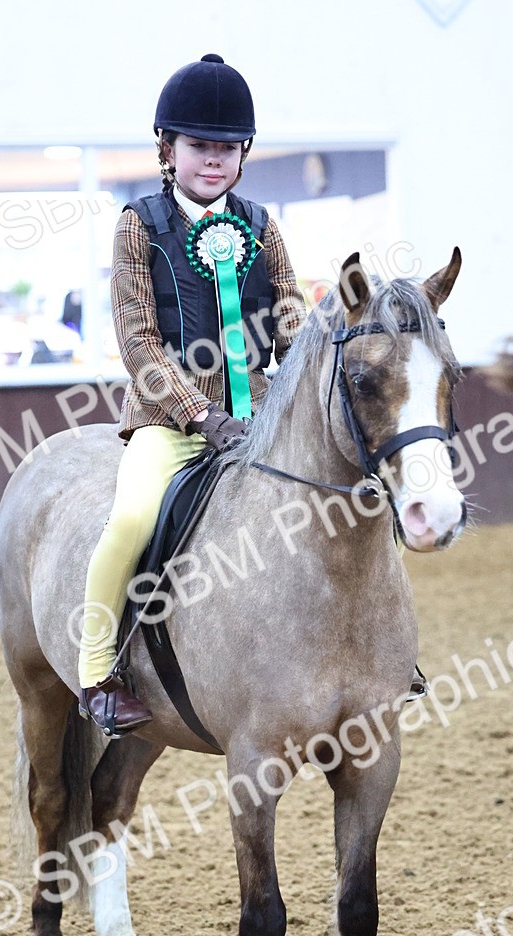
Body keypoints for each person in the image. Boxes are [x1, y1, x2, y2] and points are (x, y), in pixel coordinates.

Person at [78, 53, 306, 733]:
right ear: (167, 150)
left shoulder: (262, 224)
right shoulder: (139, 224)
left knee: (347, 500)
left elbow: (291, 311)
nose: (214, 160)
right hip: (170, 421)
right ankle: (97, 670)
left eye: (227, 148)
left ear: (243, 155)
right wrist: (200, 413)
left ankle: (377, 657)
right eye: (199, 147)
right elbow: (138, 339)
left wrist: (298, 377)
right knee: (131, 521)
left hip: (260, 413)